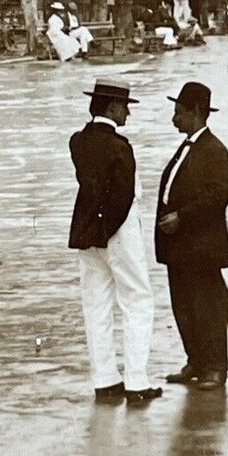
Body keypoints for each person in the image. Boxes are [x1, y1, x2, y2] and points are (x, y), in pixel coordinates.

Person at [68, 80, 158, 407]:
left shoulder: (78, 141)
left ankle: (104, 380)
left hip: (86, 232)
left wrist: (95, 231)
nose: (128, 112)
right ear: (110, 107)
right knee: (137, 300)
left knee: (96, 304)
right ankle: (136, 381)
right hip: (118, 232)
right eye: (124, 106)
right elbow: (124, 196)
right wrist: (109, 231)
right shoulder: (121, 147)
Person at [156, 82, 228, 392]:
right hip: (180, 246)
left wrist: (181, 218)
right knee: (183, 306)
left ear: (196, 112)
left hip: (201, 246)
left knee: (207, 308)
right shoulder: (189, 147)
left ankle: (216, 368)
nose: (174, 119)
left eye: (179, 113)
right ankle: (195, 361)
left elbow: (217, 197)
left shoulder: (215, 150)